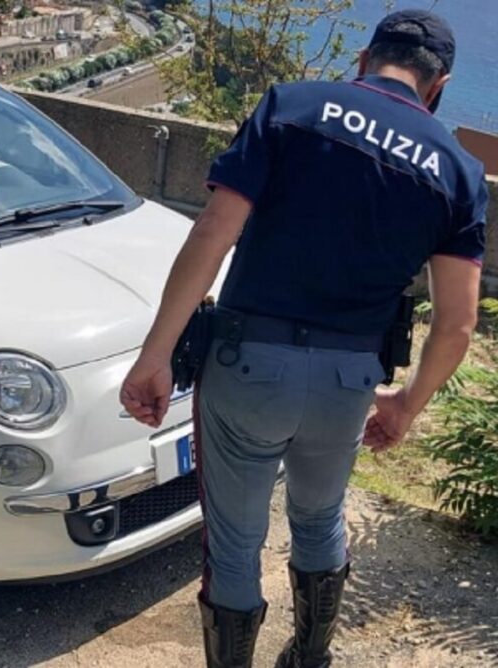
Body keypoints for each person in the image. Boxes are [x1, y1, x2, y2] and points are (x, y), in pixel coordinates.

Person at [119, 10, 487, 668]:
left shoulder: (291, 108)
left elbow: (214, 232)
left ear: (364, 59)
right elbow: (457, 323)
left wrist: (155, 355)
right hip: (349, 382)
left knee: (235, 543)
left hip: (249, 367)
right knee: (320, 519)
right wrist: (406, 405)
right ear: (438, 87)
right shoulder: (457, 171)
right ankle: (310, 658)